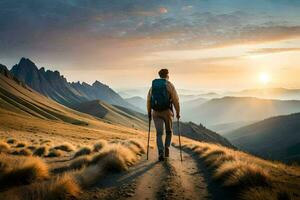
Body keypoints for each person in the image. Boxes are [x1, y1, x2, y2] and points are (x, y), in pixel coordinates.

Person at [147, 68, 180, 161]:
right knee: (169, 131)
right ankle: (166, 148)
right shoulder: (169, 85)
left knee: (159, 133)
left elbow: (149, 100)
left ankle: (160, 152)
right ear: (167, 75)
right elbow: (176, 100)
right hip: (167, 112)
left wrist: (149, 113)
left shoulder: (153, 86)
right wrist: (178, 112)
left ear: (159, 76)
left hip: (156, 112)